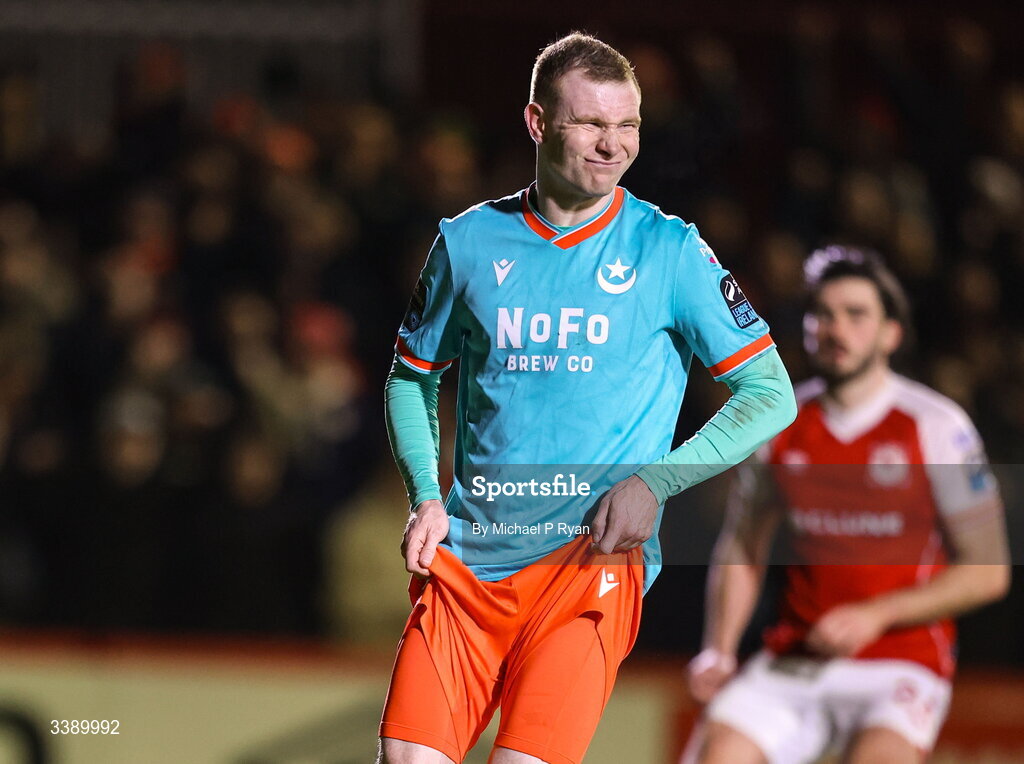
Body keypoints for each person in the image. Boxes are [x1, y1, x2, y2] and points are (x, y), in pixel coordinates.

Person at [379, 33, 797, 764]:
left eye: (628, 125)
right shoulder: (469, 241)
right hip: (469, 561)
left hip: (589, 565)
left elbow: (769, 393)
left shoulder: (668, 250)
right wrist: (425, 493)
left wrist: (655, 482)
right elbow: (412, 375)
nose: (613, 146)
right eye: (591, 124)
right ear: (538, 123)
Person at [684, 245, 1011, 764]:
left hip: (900, 661)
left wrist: (877, 614)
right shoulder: (780, 424)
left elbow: (988, 571)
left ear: (891, 333)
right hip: (798, 655)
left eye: (856, 314)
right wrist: (719, 648)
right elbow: (744, 544)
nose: (836, 329)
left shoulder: (936, 427)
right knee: (717, 755)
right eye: (823, 314)